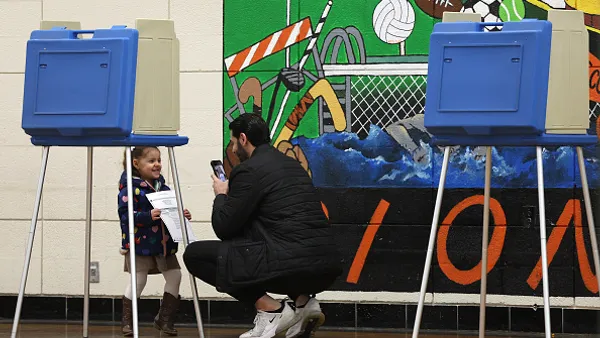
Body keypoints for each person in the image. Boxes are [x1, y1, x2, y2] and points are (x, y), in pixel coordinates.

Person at [183, 113, 342, 338]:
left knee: (195, 255)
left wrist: (221, 195)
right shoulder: (292, 165)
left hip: (290, 267)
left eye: (233, 140)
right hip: (325, 267)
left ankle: (271, 310)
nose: (232, 146)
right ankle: (303, 303)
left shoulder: (247, 170)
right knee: (282, 240)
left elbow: (224, 227)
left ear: (244, 139)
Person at [117, 146, 193, 336]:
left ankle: (164, 319)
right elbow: (126, 216)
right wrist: (148, 216)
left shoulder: (163, 188)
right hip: (139, 244)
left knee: (175, 275)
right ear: (136, 163)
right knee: (138, 280)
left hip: (164, 244)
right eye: (151, 161)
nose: (157, 164)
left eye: (159, 160)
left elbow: (169, 212)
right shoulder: (129, 189)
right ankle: (128, 321)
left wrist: (181, 214)